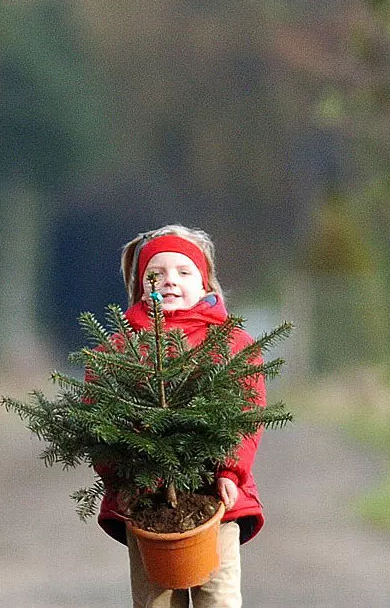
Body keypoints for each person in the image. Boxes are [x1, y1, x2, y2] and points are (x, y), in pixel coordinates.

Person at [96, 224, 267, 608]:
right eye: (156, 274)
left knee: (218, 598)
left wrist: (229, 472)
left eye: (183, 272)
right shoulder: (123, 347)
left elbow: (245, 414)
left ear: (205, 284)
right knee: (156, 601)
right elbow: (99, 420)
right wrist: (122, 478)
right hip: (147, 504)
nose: (169, 281)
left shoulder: (230, 342)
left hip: (215, 501)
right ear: (141, 285)